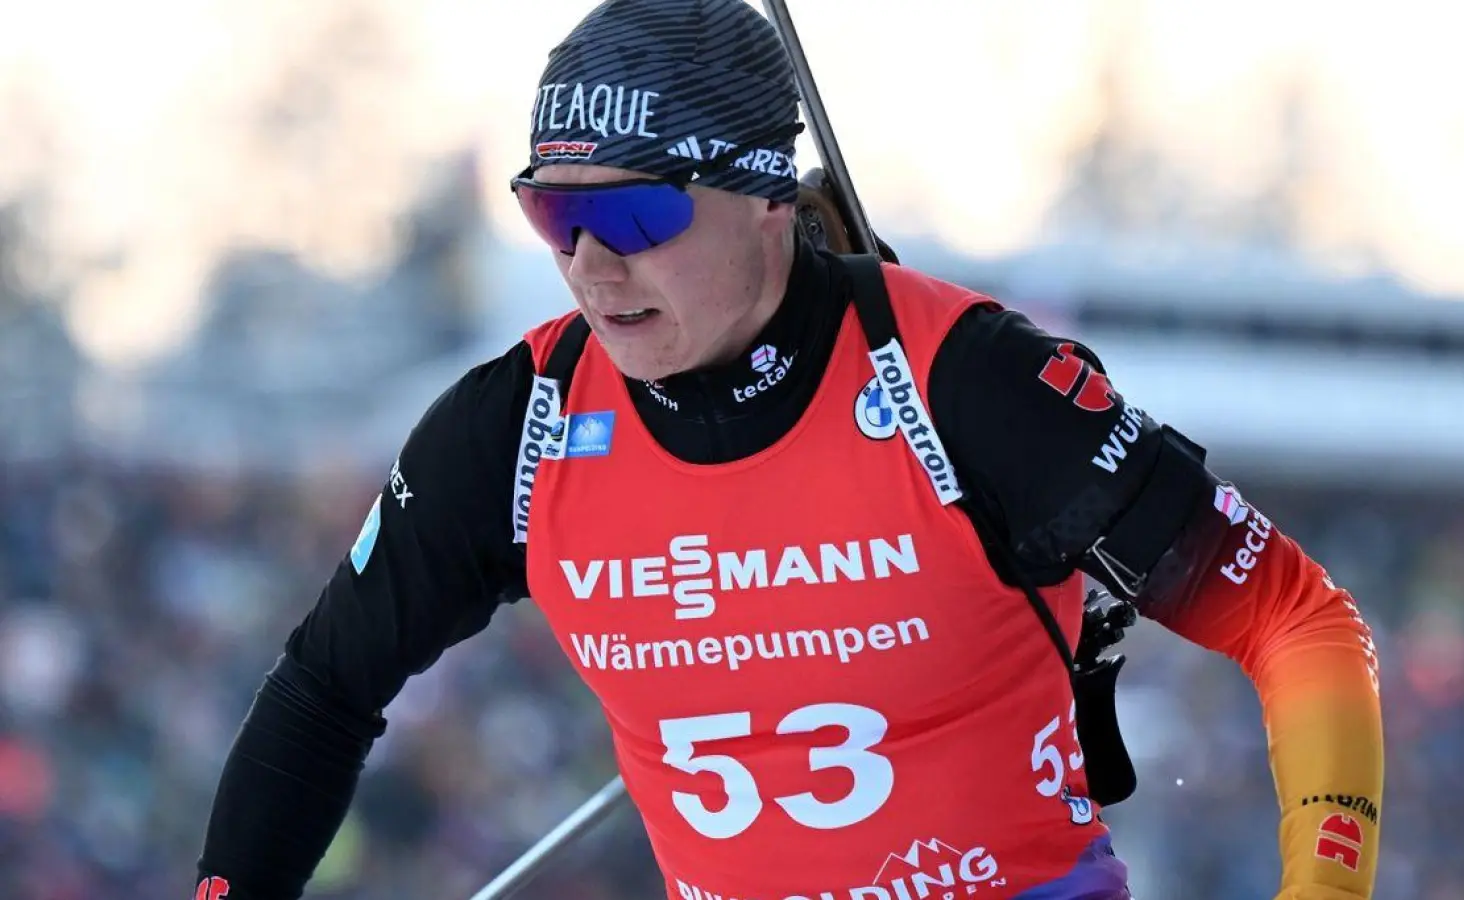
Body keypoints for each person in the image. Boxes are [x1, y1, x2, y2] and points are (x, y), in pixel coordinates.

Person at [193, 1, 1384, 898]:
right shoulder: (522, 422)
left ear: (767, 194)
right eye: (554, 214)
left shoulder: (957, 378)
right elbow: (322, 689)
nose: (592, 266)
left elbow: (1296, 619)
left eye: (637, 215)